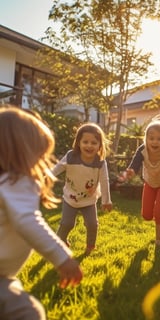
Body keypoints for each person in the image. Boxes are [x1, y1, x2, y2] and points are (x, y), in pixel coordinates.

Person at [0, 106, 83, 320]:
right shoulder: (15, 181)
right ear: (22, 151)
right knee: (28, 313)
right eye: (39, 155)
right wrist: (62, 258)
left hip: (4, 276)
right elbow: (27, 221)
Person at [52, 123, 112, 255]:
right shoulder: (71, 156)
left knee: (92, 224)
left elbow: (104, 181)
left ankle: (90, 246)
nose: (89, 145)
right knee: (66, 223)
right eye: (85, 142)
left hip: (89, 200)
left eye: (94, 142)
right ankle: (60, 241)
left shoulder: (100, 162)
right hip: (70, 198)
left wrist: (106, 201)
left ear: (100, 145)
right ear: (78, 143)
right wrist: (47, 177)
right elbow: (57, 168)